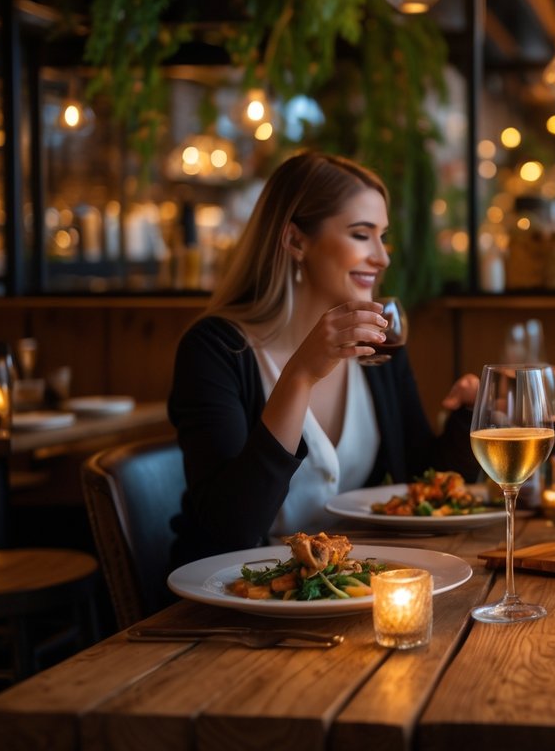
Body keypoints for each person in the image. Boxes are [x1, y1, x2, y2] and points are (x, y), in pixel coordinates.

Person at [168, 151, 480, 566]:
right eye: (361, 234)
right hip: (234, 591)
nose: (382, 257)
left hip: (349, 587)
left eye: (382, 236)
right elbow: (231, 527)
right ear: (296, 241)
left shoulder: (378, 345)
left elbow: (421, 480)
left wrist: (470, 416)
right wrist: (299, 375)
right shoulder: (215, 350)